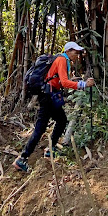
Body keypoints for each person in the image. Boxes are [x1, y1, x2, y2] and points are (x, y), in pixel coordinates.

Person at [13, 41, 95, 173]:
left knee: (61, 120)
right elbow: (64, 82)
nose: (77, 54)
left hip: (49, 95)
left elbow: (60, 81)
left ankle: (50, 150)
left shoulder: (62, 60)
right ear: (68, 51)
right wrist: (83, 85)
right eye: (75, 51)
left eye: (78, 52)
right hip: (48, 96)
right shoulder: (62, 59)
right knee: (41, 127)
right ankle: (22, 158)